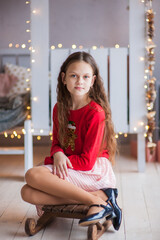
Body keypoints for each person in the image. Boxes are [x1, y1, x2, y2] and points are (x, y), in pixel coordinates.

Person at [21, 51, 122, 229]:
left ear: (92, 81)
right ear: (64, 78)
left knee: (32, 174)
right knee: (27, 192)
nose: (79, 81)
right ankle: (99, 197)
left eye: (85, 77)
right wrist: (58, 153)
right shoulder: (59, 108)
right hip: (72, 166)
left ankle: (97, 201)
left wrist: (55, 161)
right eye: (74, 75)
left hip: (93, 170)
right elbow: (56, 143)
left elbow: (87, 162)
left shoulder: (95, 113)